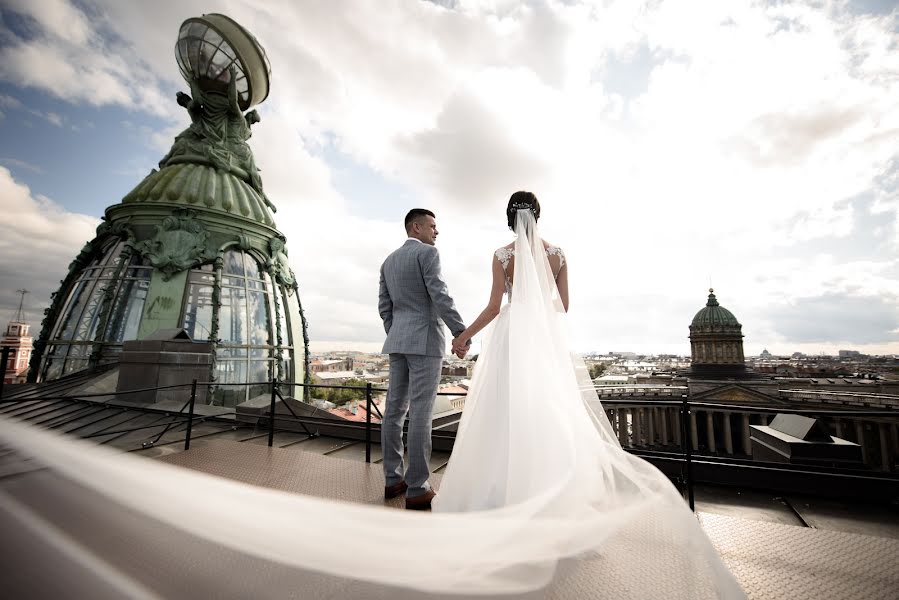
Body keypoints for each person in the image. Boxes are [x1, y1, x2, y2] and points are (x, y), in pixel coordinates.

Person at [378, 208, 468, 510]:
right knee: (420, 413)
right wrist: (460, 331)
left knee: (393, 410)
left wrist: (399, 333)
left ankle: (393, 479)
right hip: (426, 341)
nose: (436, 232)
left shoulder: (388, 262)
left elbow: (385, 308)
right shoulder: (428, 255)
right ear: (415, 228)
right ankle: (417, 488)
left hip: (398, 341)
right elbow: (440, 294)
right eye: (432, 226)